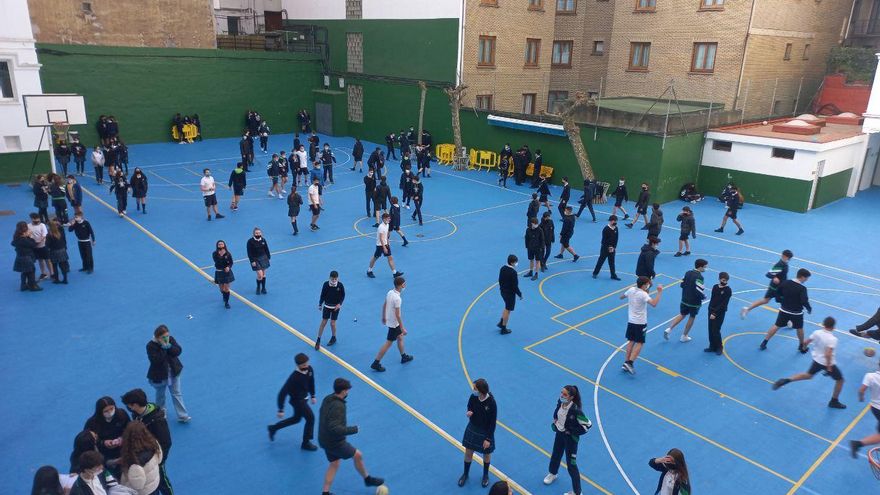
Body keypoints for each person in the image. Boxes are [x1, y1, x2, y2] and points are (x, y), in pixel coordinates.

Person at [318, 378, 385, 494]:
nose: (348, 392)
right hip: (334, 442)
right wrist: (353, 429)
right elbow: (335, 428)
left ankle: (325, 492)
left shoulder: (328, 398)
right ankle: (367, 479)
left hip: (324, 439)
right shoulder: (339, 406)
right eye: (347, 390)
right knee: (358, 455)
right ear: (343, 391)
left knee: (334, 464)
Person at [772, 316, 846, 409]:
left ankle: (787, 380)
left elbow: (806, 342)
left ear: (823, 324)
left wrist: (804, 348)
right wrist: (829, 368)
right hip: (827, 363)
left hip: (817, 361)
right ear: (833, 327)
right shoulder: (833, 339)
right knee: (840, 380)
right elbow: (828, 354)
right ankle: (834, 401)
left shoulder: (817, 332)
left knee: (808, 375)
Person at [121, 388, 173, 495]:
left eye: (129, 405)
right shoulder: (136, 415)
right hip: (145, 453)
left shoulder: (157, 421)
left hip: (156, 456)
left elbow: (166, 442)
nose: (128, 408)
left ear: (135, 405)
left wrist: (160, 459)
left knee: (163, 481)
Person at [542, 385, 592, 495]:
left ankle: (577, 492)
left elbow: (587, 425)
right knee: (556, 454)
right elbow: (557, 413)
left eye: (565, 394)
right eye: (561, 393)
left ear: (571, 397)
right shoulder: (560, 402)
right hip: (560, 434)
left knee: (571, 465)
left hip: (570, 439)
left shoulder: (576, 411)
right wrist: (556, 422)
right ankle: (553, 473)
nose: (561, 396)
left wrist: (571, 431)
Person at [269, 353, 319, 451]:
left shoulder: (309, 369)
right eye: (303, 365)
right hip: (297, 401)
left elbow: (311, 382)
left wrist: (313, 395)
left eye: (307, 363)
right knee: (310, 418)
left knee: (296, 419)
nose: (306, 366)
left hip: (304, 398)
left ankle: (273, 428)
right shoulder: (294, 378)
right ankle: (306, 443)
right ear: (298, 365)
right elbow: (282, 393)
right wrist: (280, 409)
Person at [759, 268, 813, 352]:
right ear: (802, 277)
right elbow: (804, 301)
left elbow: (777, 292)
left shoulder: (786, 282)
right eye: (806, 278)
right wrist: (809, 308)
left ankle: (764, 342)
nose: (807, 280)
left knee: (776, 325)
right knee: (799, 328)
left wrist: (780, 300)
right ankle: (801, 346)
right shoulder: (802, 288)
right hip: (796, 312)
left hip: (784, 309)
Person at [147, 324, 191, 423]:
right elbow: (156, 360)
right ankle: (161, 413)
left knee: (177, 394)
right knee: (160, 396)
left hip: (173, 373)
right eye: (163, 337)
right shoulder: (150, 346)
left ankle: (183, 416)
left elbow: (178, 351)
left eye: (167, 336)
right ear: (157, 337)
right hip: (160, 376)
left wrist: (169, 347)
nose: (166, 338)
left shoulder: (170, 339)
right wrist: (163, 348)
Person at [458, 378, 498, 488]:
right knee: (468, 452)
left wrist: (488, 439)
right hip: (473, 428)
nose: (473, 390)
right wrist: (469, 411)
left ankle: (485, 475)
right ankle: (465, 474)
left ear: (481, 390)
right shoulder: (473, 397)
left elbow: (492, 423)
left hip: (485, 431)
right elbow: (469, 406)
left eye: (475, 388)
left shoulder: (491, 403)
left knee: (486, 455)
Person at [620, 276, 663, 374]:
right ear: (644, 285)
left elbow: (622, 296)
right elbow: (654, 304)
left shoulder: (631, 290)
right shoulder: (643, 294)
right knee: (640, 342)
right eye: (648, 284)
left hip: (631, 320)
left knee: (631, 341)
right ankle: (630, 362)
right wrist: (659, 292)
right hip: (640, 322)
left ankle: (626, 362)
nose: (649, 285)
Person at [370, 276, 413, 371]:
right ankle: (376, 362)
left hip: (390, 321)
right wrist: (402, 328)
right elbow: (398, 315)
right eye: (404, 284)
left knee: (400, 338)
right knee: (388, 343)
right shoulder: (398, 299)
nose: (405, 285)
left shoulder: (390, 292)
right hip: (394, 324)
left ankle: (403, 356)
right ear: (400, 285)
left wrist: (383, 316)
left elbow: (384, 304)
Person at [664, 259, 708, 343]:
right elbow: (699, 291)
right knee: (692, 317)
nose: (706, 268)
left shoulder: (687, 272)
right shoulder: (700, 277)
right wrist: (703, 296)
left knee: (682, 314)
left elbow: (682, 284)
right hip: (694, 302)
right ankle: (684, 336)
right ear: (700, 267)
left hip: (684, 299)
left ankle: (669, 329)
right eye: (705, 267)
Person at [84, 396, 130, 475]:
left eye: (112, 409)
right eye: (106, 411)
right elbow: (87, 441)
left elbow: (129, 429)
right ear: (100, 412)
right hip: (104, 454)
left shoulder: (122, 414)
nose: (110, 412)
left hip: (123, 448)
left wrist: (121, 438)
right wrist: (103, 443)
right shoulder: (92, 423)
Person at [740, 250, 793, 320]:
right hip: (775, 288)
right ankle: (747, 309)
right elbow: (769, 274)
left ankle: (787, 319)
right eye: (788, 257)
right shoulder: (780, 264)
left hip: (781, 287)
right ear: (784, 256)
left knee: (783, 303)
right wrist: (774, 278)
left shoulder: (785, 263)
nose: (789, 259)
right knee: (767, 300)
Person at [118, 422, 163, 495]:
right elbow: (159, 460)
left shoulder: (134, 461)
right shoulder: (154, 444)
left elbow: (138, 485)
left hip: (143, 492)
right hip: (154, 484)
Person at [849, 360, 880, 457]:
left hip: (874, 408)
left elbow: (861, 390)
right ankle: (857, 444)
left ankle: (858, 444)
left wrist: (861, 398)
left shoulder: (870, 376)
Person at [367, 213, 404, 279]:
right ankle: (369, 271)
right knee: (375, 258)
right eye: (388, 218)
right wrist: (384, 247)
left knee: (390, 258)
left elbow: (386, 235)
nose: (389, 220)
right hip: (380, 246)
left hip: (386, 244)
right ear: (384, 219)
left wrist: (388, 242)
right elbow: (381, 238)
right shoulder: (381, 227)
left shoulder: (387, 225)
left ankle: (394, 273)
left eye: (389, 218)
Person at [315, 271, 346, 350]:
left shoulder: (340, 285)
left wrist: (339, 304)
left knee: (332, 323)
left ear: (337, 278)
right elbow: (322, 295)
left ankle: (333, 337)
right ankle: (318, 340)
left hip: (335, 307)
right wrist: (320, 304)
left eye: (335, 279)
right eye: (332, 279)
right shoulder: (326, 284)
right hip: (327, 306)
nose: (334, 280)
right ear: (330, 278)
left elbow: (343, 295)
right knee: (324, 322)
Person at [705, 272, 732, 355]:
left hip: (719, 312)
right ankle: (712, 346)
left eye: (726, 280)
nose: (725, 282)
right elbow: (713, 299)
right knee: (710, 329)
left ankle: (719, 347)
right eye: (723, 280)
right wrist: (710, 310)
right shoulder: (715, 287)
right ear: (719, 279)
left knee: (716, 330)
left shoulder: (728, 290)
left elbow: (723, 304)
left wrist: (715, 313)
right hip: (711, 310)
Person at [12, 221, 41, 292]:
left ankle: (23, 285)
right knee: (31, 271)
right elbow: (33, 244)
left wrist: (25, 236)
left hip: (20, 256)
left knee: (24, 271)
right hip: (27, 257)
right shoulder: (23, 239)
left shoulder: (17, 237)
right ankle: (33, 286)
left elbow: (13, 243)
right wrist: (30, 237)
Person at [497, 254, 522, 335]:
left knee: (506, 307)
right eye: (515, 262)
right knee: (508, 310)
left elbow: (500, 280)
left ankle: (501, 322)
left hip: (503, 291)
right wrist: (519, 294)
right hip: (510, 294)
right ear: (512, 263)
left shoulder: (503, 268)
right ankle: (503, 328)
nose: (516, 263)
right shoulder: (513, 272)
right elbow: (515, 286)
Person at [592, 215, 620, 280]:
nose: (615, 222)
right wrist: (608, 247)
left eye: (616, 221)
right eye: (614, 221)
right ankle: (595, 273)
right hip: (605, 248)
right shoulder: (606, 229)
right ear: (610, 221)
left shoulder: (616, 228)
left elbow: (616, 239)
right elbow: (604, 241)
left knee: (612, 262)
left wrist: (614, 247)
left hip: (612, 248)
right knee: (601, 261)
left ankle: (613, 275)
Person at [28, 212, 52, 281]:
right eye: (34, 220)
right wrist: (33, 243)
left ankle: (52, 273)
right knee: (40, 260)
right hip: (35, 247)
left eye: (37, 220)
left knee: (48, 260)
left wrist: (38, 242)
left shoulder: (42, 225)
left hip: (43, 246)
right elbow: (29, 235)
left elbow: (44, 235)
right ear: (32, 219)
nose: (36, 221)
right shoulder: (28, 226)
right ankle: (43, 273)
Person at [247, 227, 271, 295]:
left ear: (261, 233)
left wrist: (268, 257)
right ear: (254, 234)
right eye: (256, 233)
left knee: (263, 274)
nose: (258, 234)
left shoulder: (263, 240)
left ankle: (263, 288)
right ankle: (258, 287)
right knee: (260, 275)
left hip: (263, 258)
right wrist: (252, 261)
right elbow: (249, 252)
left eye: (259, 233)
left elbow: (266, 248)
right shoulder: (250, 241)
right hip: (255, 259)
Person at [47, 217, 70, 285]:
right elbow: (60, 227)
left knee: (55, 266)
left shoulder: (49, 235)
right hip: (62, 251)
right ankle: (65, 279)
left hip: (54, 252)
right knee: (63, 265)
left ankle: (57, 279)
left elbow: (47, 245)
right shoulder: (60, 231)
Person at [213, 240, 234, 308]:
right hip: (219, 272)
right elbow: (217, 262)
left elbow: (231, 262)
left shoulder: (228, 254)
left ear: (224, 245)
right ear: (217, 246)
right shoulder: (215, 253)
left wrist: (228, 267)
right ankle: (224, 296)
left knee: (226, 289)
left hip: (227, 272)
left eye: (222, 244)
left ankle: (226, 302)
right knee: (222, 290)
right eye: (219, 244)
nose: (221, 245)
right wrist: (222, 255)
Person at [523, 217, 545, 281]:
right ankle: (530, 271)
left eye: (536, 224)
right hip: (530, 248)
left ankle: (536, 274)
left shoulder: (540, 230)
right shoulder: (528, 230)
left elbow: (542, 240)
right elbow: (527, 239)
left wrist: (541, 248)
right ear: (531, 224)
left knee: (537, 261)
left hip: (538, 248)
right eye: (534, 224)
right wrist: (527, 246)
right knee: (531, 260)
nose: (536, 225)